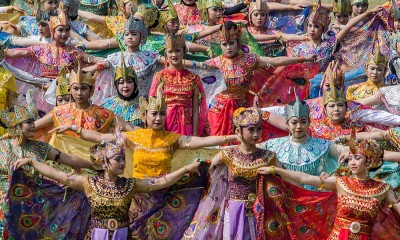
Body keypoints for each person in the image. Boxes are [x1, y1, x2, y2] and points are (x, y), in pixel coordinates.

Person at [12, 130, 203, 239]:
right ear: (105, 162)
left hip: (122, 235)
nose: (122, 163)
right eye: (118, 159)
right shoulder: (89, 182)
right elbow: (62, 176)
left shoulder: (130, 184)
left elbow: (159, 182)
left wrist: (185, 169)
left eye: (123, 159)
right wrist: (32, 163)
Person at [51, 86, 239, 178]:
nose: (158, 118)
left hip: (164, 192)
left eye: (162, 114)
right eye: (154, 114)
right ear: (145, 115)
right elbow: (101, 137)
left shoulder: (172, 139)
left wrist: (230, 137)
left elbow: (199, 141)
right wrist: (74, 128)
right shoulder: (135, 136)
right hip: (139, 191)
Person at [256, 135, 400, 239]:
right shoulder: (341, 183)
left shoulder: (383, 189)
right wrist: (276, 170)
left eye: (357, 158)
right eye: (350, 158)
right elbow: (305, 178)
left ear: (369, 162)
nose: (352, 162)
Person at [201, 21, 316, 136]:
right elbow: (193, 69)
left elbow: (274, 61)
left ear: (238, 43)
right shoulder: (214, 63)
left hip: (243, 107)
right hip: (219, 110)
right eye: (224, 44)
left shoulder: (248, 60)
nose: (228, 47)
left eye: (231, 43)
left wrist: (302, 59)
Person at [0, 98, 94, 236]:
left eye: (33, 121)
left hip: (29, 208)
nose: (33, 125)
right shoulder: (2, 146)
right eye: (29, 122)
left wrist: (95, 164)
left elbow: (69, 159)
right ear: (16, 126)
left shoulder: (39, 148)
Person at [183, 107, 280, 239]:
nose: (256, 134)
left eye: (259, 129)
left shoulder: (268, 156)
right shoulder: (228, 154)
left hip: (260, 210)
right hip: (234, 210)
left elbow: (284, 180)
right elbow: (208, 171)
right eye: (251, 130)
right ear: (238, 131)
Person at [261, 94, 348, 190]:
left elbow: (345, 150)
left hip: (314, 197)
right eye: (294, 122)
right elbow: (253, 148)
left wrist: (346, 151)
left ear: (309, 123)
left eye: (303, 122)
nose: (299, 126)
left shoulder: (321, 145)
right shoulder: (275, 145)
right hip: (285, 195)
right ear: (287, 124)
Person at [149, 31, 207, 136]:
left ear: (184, 52)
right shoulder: (159, 77)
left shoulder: (193, 79)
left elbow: (195, 110)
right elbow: (153, 107)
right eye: (170, 51)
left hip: (186, 127)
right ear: (165, 53)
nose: (174, 55)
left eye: (177, 51)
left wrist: (195, 135)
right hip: (165, 125)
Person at [101, 53, 143, 127]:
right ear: (116, 86)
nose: (125, 86)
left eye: (129, 82)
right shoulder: (106, 106)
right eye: (121, 82)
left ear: (135, 83)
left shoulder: (144, 105)